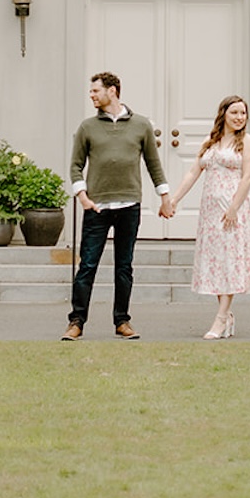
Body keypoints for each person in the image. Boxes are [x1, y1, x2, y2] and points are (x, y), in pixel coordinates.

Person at [63, 72, 169, 341]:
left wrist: (164, 196)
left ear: (112, 91)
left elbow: (153, 164)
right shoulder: (87, 127)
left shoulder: (141, 125)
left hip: (129, 205)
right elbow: (75, 166)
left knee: (124, 266)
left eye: (96, 91)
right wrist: (83, 196)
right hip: (96, 207)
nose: (91, 95)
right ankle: (76, 322)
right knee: (87, 265)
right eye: (91, 91)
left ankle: (122, 321)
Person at [163, 95, 250, 339]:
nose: (239, 118)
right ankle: (226, 315)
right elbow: (193, 172)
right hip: (210, 211)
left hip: (233, 209)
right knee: (218, 262)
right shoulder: (211, 141)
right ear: (223, 114)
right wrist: (174, 199)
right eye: (234, 113)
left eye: (243, 113)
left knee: (230, 259)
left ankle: (220, 318)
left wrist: (234, 207)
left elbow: (248, 177)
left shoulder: (248, 142)